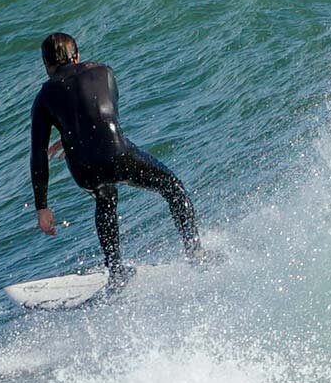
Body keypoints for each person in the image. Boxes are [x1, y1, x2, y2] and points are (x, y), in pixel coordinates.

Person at [28, 31, 203, 286]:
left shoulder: (43, 98)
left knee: (105, 198)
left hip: (85, 169)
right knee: (173, 188)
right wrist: (74, 136)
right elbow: (105, 115)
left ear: (46, 65)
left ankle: (116, 273)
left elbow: (38, 154)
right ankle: (195, 253)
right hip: (119, 155)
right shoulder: (104, 72)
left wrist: (42, 207)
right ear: (77, 56)